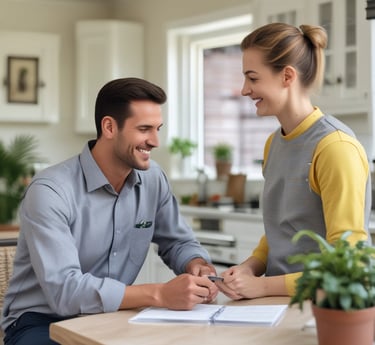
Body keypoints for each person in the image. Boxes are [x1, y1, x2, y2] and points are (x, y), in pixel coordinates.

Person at [1, 77, 219, 345]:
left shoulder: (153, 179)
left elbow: (178, 241)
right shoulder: (50, 191)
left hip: (114, 316)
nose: (155, 141)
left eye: (157, 128)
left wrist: (197, 264)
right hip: (40, 322)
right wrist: (160, 294)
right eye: (144, 129)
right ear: (109, 127)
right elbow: (65, 291)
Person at [217, 23, 371, 300]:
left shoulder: (335, 147)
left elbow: (350, 264)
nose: (244, 90)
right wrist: (249, 268)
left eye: (253, 78)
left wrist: (261, 286)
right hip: (278, 303)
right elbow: (281, 230)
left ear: (287, 76)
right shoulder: (273, 143)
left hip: (323, 306)